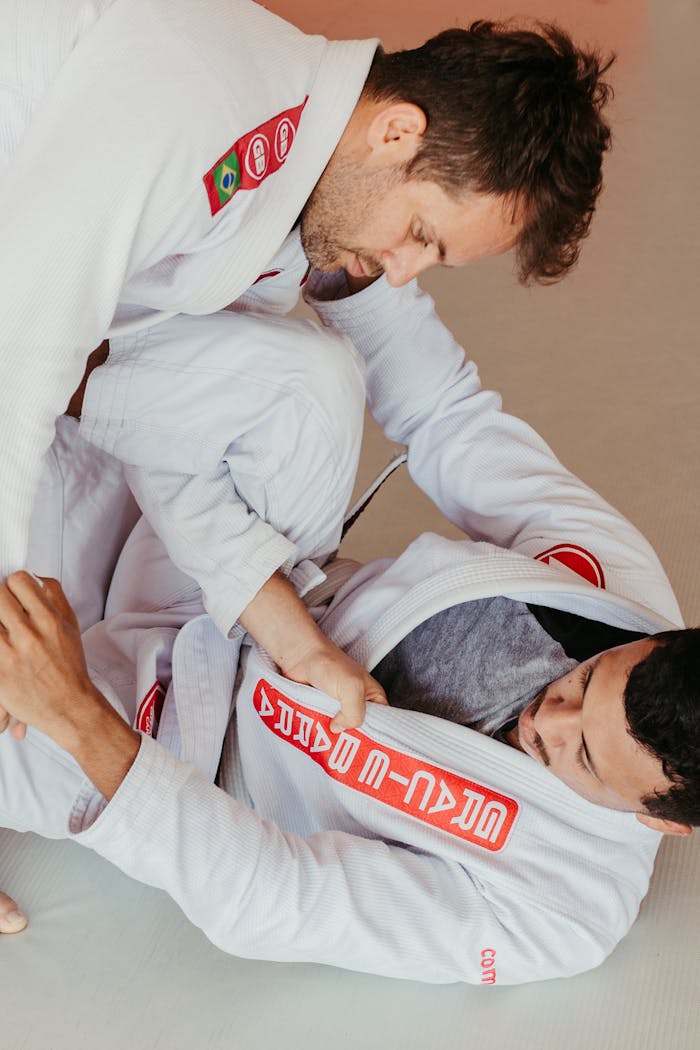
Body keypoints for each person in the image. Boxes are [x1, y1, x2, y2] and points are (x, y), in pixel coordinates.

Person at [0, 401, 696, 984]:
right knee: (303, 387)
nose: (551, 714)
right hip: (257, 594)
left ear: (666, 822)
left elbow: (274, 896)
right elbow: (445, 409)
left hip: (162, 745)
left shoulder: (564, 911)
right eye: (588, 677)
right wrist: (356, 269)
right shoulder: (622, 592)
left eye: (585, 758)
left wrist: (74, 715)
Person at [1, 0, 614, 579]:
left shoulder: (319, 155)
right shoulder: (204, 109)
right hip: (18, 331)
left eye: (433, 257)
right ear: (397, 132)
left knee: (289, 391)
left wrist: (611, 578)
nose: (402, 270)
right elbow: (19, 353)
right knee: (300, 385)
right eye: (421, 233)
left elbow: (435, 400)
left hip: (47, 331)